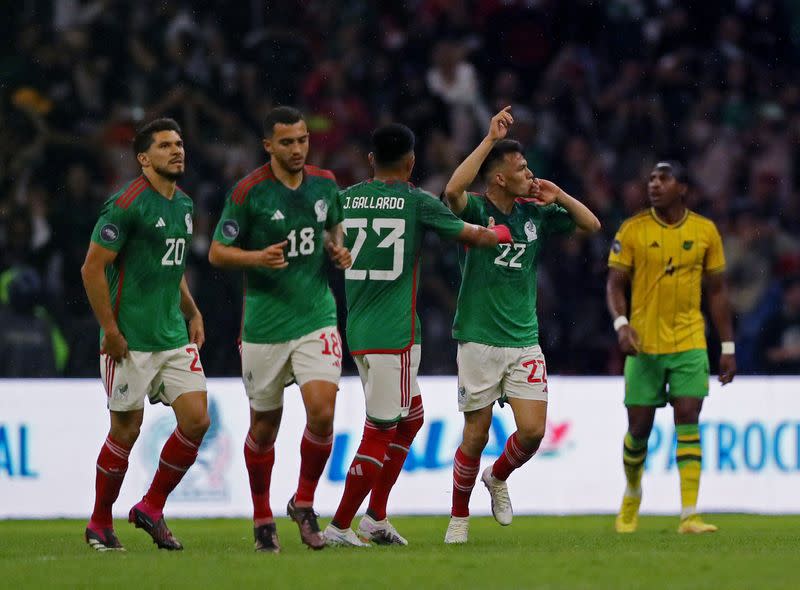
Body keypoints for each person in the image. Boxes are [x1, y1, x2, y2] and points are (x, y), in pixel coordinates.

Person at [323, 123, 513, 547]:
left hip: (357, 327)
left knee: (412, 419)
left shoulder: (345, 199)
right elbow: (474, 235)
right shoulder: (415, 201)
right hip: (395, 335)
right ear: (411, 162)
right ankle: (338, 526)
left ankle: (375, 517)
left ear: (371, 160)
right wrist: (502, 231)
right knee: (382, 429)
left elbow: (324, 238)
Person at [440, 108, 601, 544]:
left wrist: (560, 194)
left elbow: (592, 225)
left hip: (524, 339)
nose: (530, 173)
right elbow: (452, 189)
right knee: (474, 434)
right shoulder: (474, 208)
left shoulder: (537, 213)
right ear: (498, 179)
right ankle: (458, 517)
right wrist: (490, 140)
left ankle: (498, 476)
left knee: (532, 431)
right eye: (522, 169)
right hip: (477, 338)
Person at [208, 106, 351, 553]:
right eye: (287, 142)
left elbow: (335, 229)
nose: (297, 149)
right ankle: (261, 515)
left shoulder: (325, 184)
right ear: (268, 145)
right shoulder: (249, 192)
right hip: (265, 326)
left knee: (323, 412)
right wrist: (255, 258)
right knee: (265, 427)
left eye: (303, 140)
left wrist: (339, 251)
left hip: (316, 315)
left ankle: (304, 502)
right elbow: (216, 252)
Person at [81, 118, 210, 552]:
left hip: (172, 336)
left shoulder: (185, 205)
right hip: (129, 341)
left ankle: (151, 507)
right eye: (165, 146)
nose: (177, 151)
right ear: (143, 158)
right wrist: (110, 331)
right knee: (125, 431)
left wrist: (191, 309)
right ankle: (100, 523)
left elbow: (171, 269)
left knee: (197, 420)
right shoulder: (126, 204)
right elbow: (91, 268)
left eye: (179, 143)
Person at [607, 161, 736, 534]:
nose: (655, 184)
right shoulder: (632, 230)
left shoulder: (705, 231)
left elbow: (717, 292)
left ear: (683, 188)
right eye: (651, 178)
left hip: (689, 342)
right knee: (639, 428)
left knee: (688, 418)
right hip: (643, 345)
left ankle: (689, 514)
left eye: (664, 178)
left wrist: (726, 345)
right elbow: (615, 283)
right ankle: (632, 492)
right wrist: (621, 324)